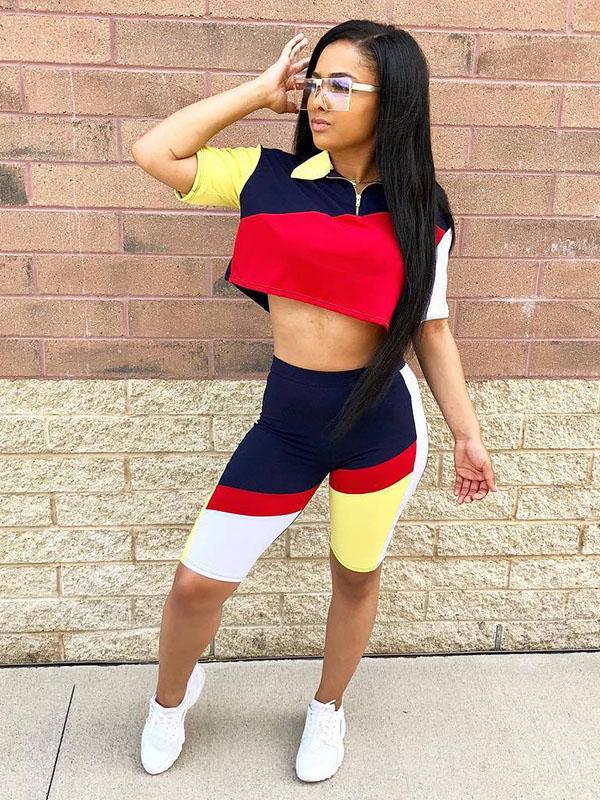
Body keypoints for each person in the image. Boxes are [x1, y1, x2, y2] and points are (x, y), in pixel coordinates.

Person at [132, 19, 497, 783]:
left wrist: (467, 433)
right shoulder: (266, 176)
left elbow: (431, 329)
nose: (318, 99)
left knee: (355, 576)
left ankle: (328, 708)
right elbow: (155, 152)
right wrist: (258, 93)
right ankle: (171, 699)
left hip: (380, 430)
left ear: (392, 100)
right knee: (198, 583)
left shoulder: (423, 209)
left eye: (341, 84)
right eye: (314, 82)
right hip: (287, 431)